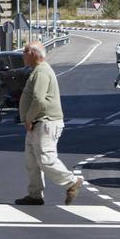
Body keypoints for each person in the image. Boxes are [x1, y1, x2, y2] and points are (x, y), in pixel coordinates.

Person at [15, 41, 83, 206]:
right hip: (37, 123)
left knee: (46, 159)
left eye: (24, 51)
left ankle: (72, 182)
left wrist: (29, 118)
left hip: (45, 122)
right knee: (31, 161)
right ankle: (35, 194)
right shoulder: (37, 71)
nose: (22, 54)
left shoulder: (42, 72)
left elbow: (39, 99)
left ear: (33, 53)